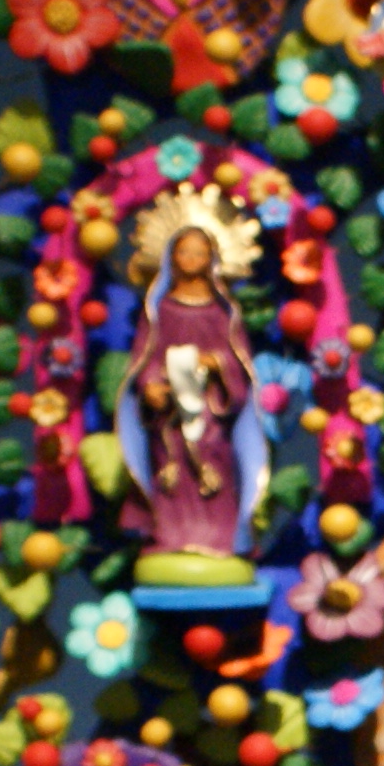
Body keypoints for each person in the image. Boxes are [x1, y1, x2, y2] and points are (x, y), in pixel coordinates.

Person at [126, 189, 258, 567]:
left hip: (209, 405)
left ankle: (219, 536)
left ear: (212, 258)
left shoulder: (222, 312)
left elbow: (238, 362)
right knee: (170, 462)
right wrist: (151, 385)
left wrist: (216, 364)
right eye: (184, 252)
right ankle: (170, 535)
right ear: (171, 256)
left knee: (212, 456)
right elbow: (145, 356)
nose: (191, 260)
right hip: (169, 405)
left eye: (200, 253)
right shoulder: (160, 309)